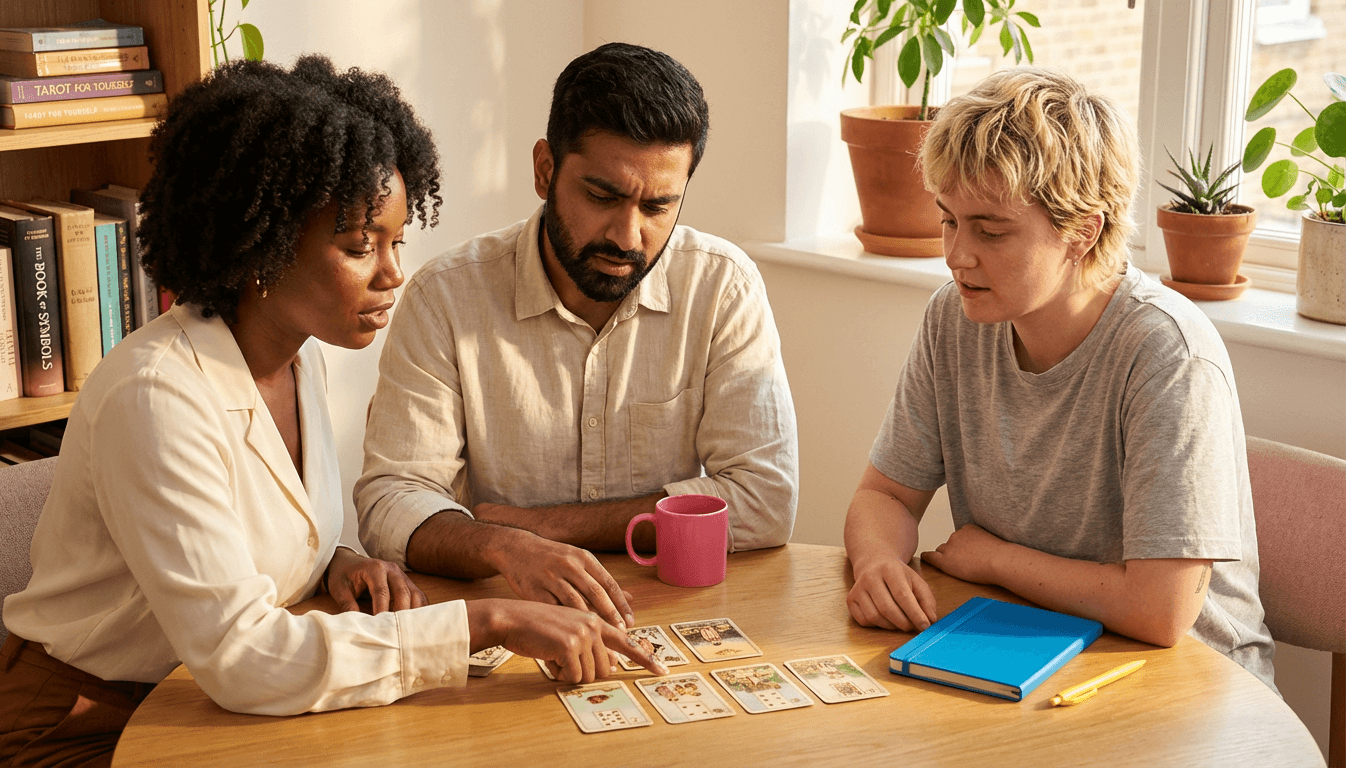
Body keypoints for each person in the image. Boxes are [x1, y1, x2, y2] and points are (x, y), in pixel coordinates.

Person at [0, 56, 664, 768]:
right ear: (264, 244)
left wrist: (335, 560)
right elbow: (240, 655)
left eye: (396, 242)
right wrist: (484, 620)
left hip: (202, 706)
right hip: (74, 730)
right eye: (360, 246)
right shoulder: (155, 396)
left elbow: (251, 527)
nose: (393, 273)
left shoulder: (299, 358)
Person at [842, 67, 1275, 689]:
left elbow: (1162, 611)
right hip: (1025, 646)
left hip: (1191, 685)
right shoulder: (956, 316)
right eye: (949, 220)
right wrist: (877, 560)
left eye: (991, 230)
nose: (958, 254)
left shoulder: (1167, 355)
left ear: (1083, 232)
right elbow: (884, 495)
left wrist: (994, 558)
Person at [355, 42, 798, 630]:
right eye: (602, 196)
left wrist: (546, 527)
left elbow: (765, 500)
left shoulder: (722, 286)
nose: (628, 235)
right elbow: (391, 498)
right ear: (545, 170)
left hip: (674, 613)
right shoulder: (447, 296)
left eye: (659, 206)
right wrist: (503, 547)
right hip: (509, 615)